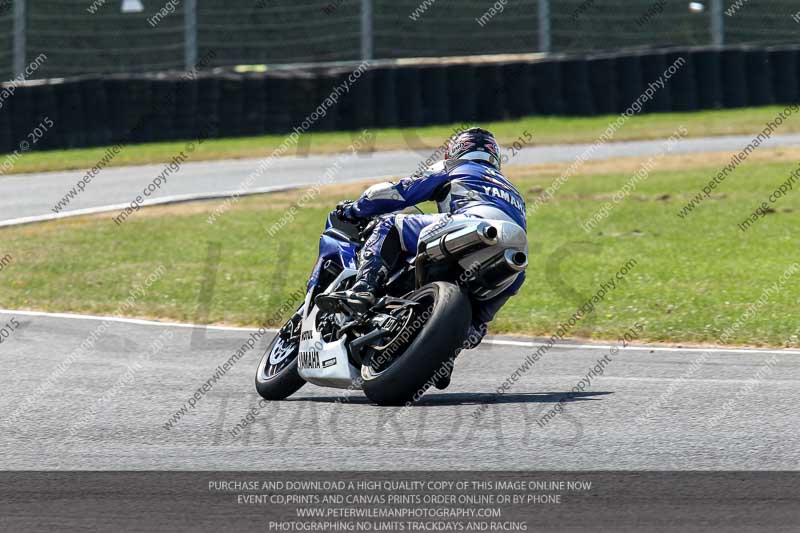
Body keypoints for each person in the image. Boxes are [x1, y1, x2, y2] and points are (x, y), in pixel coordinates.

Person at [316, 128, 527, 386]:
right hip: (512, 256)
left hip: (471, 225)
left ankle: (363, 290)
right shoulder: (513, 191)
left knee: (390, 225)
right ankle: (451, 348)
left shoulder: (455, 166)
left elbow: (400, 191)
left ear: (457, 149)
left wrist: (356, 209)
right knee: (477, 323)